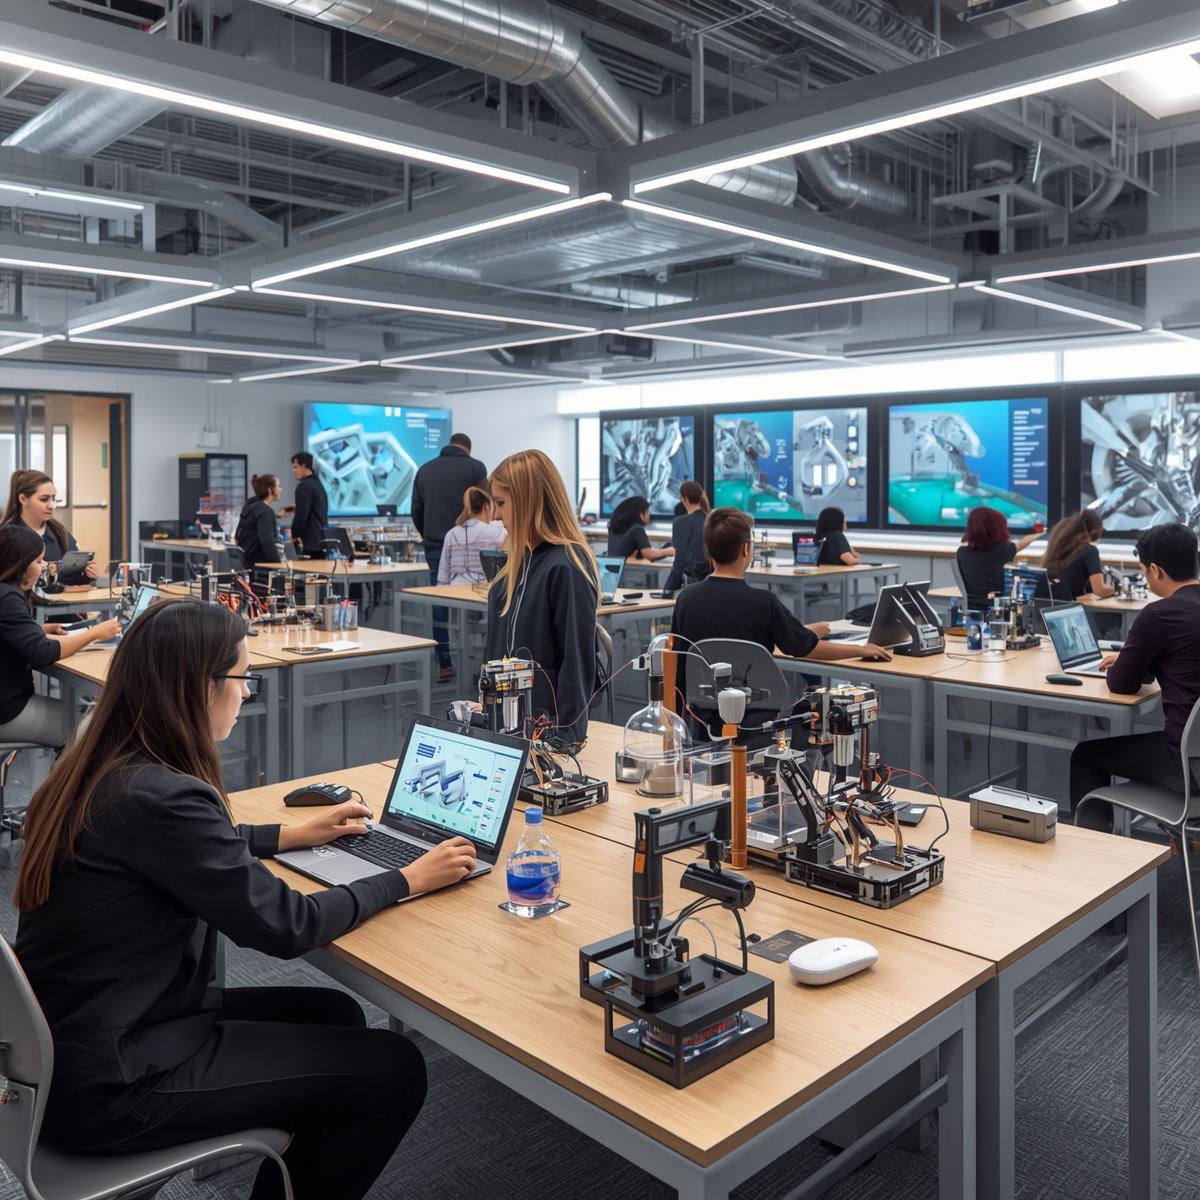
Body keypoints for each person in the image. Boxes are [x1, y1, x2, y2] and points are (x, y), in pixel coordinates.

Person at [14, 600, 477, 1200]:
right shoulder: (167, 798)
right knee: (395, 1069)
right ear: (200, 687)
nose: (249, 694)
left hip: (76, 1046)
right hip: (116, 1087)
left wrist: (287, 834)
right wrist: (407, 878)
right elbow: (287, 926)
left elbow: (168, 847)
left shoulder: (102, 765)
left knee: (333, 1016)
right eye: (243, 678)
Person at [1070, 523, 1200, 832]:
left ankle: (1091, 859)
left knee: (1085, 755)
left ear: (1155, 570)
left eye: (1143, 571)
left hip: (1187, 764)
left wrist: (1133, 660)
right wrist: (1144, 658)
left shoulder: (1159, 614)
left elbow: (1121, 684)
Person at [671, 508, 892, 665]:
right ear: (746, 550)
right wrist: (861, 649)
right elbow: (803, 648)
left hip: (699, 707)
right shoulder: (762, 602)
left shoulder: (686, 598)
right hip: (754, 709)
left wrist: (810, 630)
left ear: (707, 550)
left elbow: (678, 656)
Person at [485, 449, 599, 747]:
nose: (495, 516)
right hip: (506, 728)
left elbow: (576, 662)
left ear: (527, 501)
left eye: (500, 503)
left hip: (545, 737)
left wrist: (565, 738)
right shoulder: (518, 564)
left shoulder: (565, 566)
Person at [0, 524, 119, 749]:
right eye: (38, 562)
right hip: (8, 711)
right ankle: (66, 783)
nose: (43, 567)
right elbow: (41, 652)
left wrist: (39, 629)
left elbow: (7, 632)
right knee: (98, 730)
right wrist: (95, 633)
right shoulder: (8, 598)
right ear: (21, 564)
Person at [413, 433, 487, 681]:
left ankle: (444, 662)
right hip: (474, 545)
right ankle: (486, 664)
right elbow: (484, 506)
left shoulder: (424, 469)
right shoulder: (476, 467)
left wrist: (431, 535)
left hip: (434, 544)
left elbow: (416, 510)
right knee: (483, 598)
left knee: (440, 601)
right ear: (467, 448)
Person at [3, 469, 100, 585]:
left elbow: (70, 577)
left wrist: (87, 574)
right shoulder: (6, 536)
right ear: (23, 499)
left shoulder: (60, 533)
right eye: (44, 499)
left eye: (53, 499)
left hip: (58, 601)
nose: (52, 505)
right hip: (19, 602)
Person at [956, 507, 1043, 610]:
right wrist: (1037, 534)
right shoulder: (1004, 549)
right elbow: (1020, 544)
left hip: (971, 610)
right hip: (998, 611)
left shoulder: (961, 552)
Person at [437, 486, 506, 586]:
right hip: (483, 593)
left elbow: (443, 576)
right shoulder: (495, 533)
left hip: (454, 592)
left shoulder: (451, 535)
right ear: (486, 507)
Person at [1042, 509, 1115, 599]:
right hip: (1074, 608)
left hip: (1051, 606)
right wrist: (1118, 589)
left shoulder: (1057, 548)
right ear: (1095, 531)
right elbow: (1100, 590)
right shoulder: (1090, 551)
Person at [664, 481, 710, 591]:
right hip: (712, 581)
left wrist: (668, 588)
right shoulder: (711, 519)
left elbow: (680, 558)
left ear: (683, 499)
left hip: (693, 583)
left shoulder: (681, 522)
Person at [285, 452, 328, 560]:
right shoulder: (318, 485)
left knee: (310, 576)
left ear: (304, 466)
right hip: (321, 541)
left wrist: (294, 536)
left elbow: (301, 516)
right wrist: (297, 507)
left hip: (309, 543)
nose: (293, 471)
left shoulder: (304, 486)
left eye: (296, 467)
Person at [235, 473, 283, 566]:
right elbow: (266, 541)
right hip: (260, 565)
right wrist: (278, 564)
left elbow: (238, 535)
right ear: (269, 490)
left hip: (246, 561)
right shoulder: (266, 511)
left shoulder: (251, 507)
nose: (281, 489)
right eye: (278, 486)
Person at [607, 495, 673, 562]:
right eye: (647, 511)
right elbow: (648, 554)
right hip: (628, 569)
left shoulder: (613, 526)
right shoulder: (637, 529)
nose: (649, 514)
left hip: (614, 568)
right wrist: (668, 551)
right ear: (641, 514)